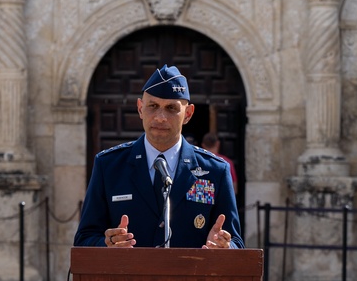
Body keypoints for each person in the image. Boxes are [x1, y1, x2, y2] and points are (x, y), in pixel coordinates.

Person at [74, 65, 243, 249]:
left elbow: (235, 242)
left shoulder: (215, 170)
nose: (160, 117)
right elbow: (84, 239)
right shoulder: (109, 166)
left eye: (171, 108)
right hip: (127, 277)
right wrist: (107, 244)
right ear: (140, 108)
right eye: (152, 106)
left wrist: (224, 247)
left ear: (188, 114)